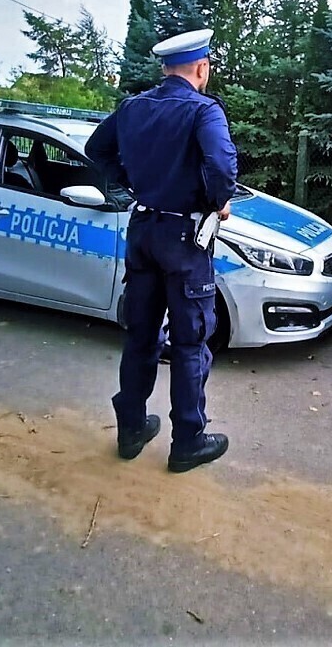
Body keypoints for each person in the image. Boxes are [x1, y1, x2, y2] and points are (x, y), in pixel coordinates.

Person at [86, 28, 238, 473]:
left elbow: (98, 150)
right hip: (185, 239)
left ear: (166, 68)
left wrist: (133, 184)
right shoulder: (203, 110)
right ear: (201, 67)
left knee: (141, 335)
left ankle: (132, 428)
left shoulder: (133, 107)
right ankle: (188, 441)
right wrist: (216, 201)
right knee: (190, 341)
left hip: (143, 230)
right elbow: (220, 167)